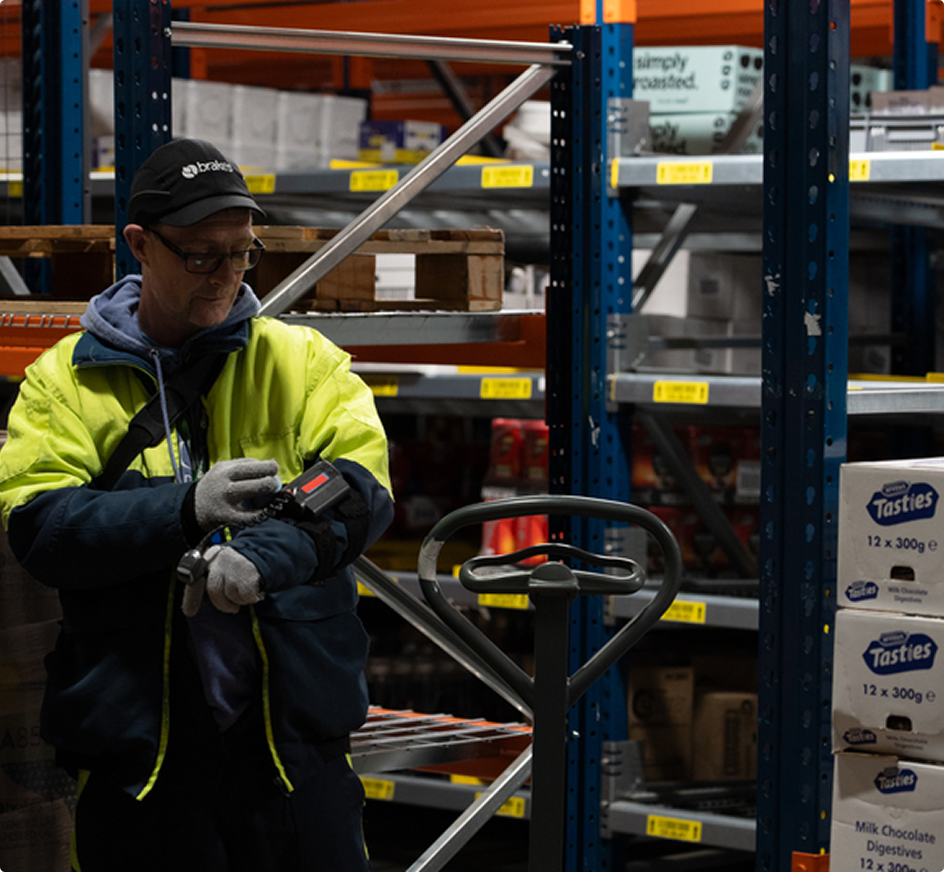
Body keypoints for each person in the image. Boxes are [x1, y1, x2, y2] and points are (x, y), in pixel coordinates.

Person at [0, 138, 394, 871]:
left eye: (241, 252)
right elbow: (42, 527)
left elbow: (354, 488)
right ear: (141, 246)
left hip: (291, 742)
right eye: (200, 255)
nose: (225, 275)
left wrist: (263, 556)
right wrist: (182, 510)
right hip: (140, 752)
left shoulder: (304, 361)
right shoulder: (62, 383)